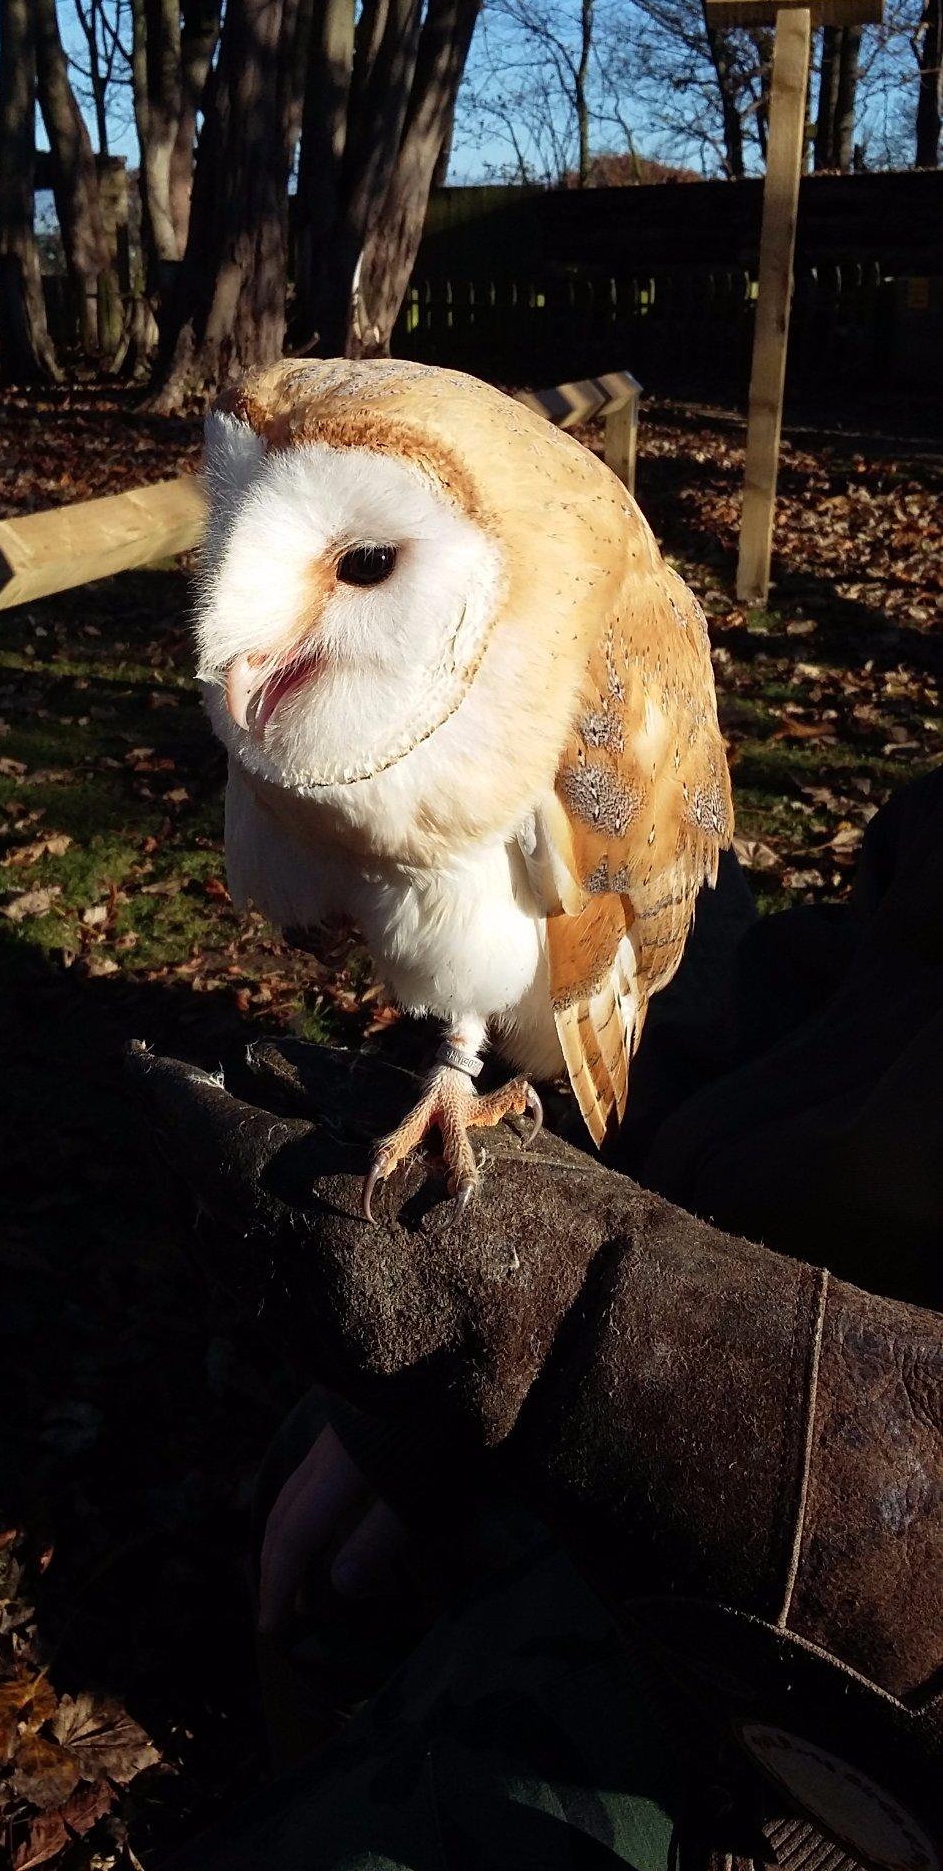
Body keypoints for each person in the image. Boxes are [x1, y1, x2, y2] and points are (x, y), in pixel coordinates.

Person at [134, 768, 943, 1871]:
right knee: (305, 1514)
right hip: (684, 1334)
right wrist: (627, 951)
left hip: (841, 1683)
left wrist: (575, 1335)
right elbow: (823, 1024)